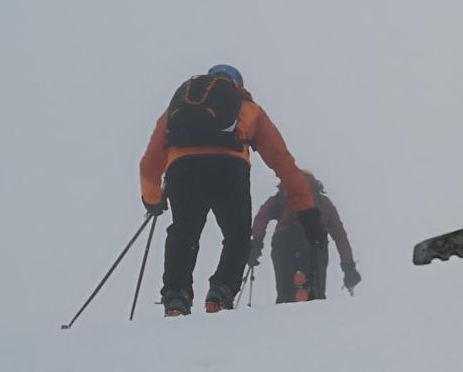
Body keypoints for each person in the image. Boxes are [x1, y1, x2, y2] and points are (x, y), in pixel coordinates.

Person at [139, 64, 326, 316]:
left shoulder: (178, 108)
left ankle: (176, 295)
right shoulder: (246, 107)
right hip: (229, 169)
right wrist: (307, 210)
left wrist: (153, 199)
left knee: (184, 231)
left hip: (183, 170)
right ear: (237, 84)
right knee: (237, 236)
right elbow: (281, 161)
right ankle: (221, 291)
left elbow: (150, 162)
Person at [249, 170, 361, 303]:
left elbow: (262, 216)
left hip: (284, 240)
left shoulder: (283, 196)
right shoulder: (322, 202)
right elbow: (340, 235)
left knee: (285, 292)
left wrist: (255, 244)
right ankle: (311, 295)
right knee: (316, 291)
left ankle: (288, 300)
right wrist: (348, 267)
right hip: (315, 241)